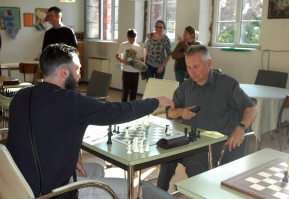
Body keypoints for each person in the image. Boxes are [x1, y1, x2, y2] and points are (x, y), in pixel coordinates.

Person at [6, 43, 174, 198]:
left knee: (97, 169)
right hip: (51, 193)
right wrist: (155, 102)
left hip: (20, 185)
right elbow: (117, 111)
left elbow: (37, 135)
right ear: (64, 72)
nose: (80, 74)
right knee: (134, 187)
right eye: (77, 69)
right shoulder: (72, 102)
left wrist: (67, 159)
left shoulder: (21, 95)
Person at [157, 45, 258, 191]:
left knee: (194, 162)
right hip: (191, 141)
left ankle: (202, 193)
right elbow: (169, 113)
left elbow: (252, 108)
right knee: (167, 156)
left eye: (196, 66)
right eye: (189, 67)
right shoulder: (185, 87)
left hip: (217, 144)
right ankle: (157, 195)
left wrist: (240, 128)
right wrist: (180, 111)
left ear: (208, 63)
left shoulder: (227, 84)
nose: (192, 71)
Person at [115, 29, 143, 102]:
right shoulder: (123, 45)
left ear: (136, 37)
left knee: (134, 92)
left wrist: (137, 58)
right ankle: (123, 107)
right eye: (130, 39)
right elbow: (117, 55)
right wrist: (122, 60)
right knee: (125, 91)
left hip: (135, 71)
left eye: (133, 39)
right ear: (127, 37)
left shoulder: (138, 47)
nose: (132, 40)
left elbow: (142, 59)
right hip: (126, 71)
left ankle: (132, 107)